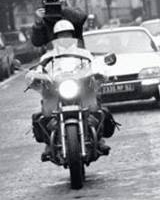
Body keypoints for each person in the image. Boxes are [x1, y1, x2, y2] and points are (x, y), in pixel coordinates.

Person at [29, 20, 114, 160]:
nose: (65, 38)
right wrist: (35, 75)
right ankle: (48, 144)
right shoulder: (48, 56)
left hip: (80, 87)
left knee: (95, 107)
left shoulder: (83, 53)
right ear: (56, 38)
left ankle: (99, 139)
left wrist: (100, 72)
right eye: (61, 35)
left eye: (68, 34)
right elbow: (40, 68)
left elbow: (95, 64)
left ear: (73, 36)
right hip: (56, 89)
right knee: (45, 112)